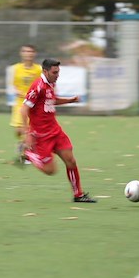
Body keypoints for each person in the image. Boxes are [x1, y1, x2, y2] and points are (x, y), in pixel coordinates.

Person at [18, 58, 97, 203]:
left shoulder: (51, 83)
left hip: (55, 131)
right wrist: (27, 134)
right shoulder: (38, 86)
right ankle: (28, 153)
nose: (57, 75)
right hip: (41, 136)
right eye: (55, 72)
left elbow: (50, 100)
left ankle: (78, 195)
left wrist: (70, 100)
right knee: (50, 171)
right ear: (45, 71)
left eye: (58, 72)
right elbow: (23, 109)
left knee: (71, 160)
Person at [9, 44, 42, 159]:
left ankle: (27, 152)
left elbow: (41, 84)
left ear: (34, 54)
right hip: (19, 104)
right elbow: (13, 84)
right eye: (26, 51)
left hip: (32, 105)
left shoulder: (38, 69)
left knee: (28, 130)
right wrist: (17, 91)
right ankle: (23, 144)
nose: (28, 53)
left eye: (31, 51)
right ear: (21, 53)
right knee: (18, 130)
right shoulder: (16, 68)